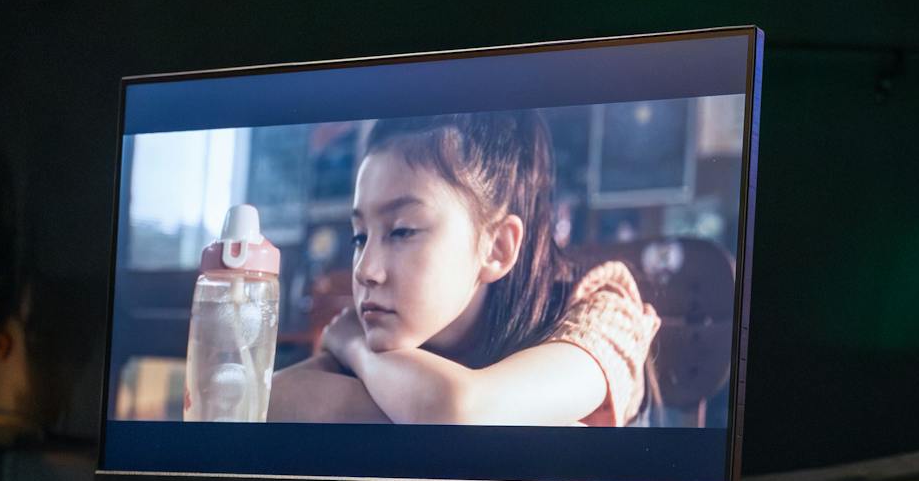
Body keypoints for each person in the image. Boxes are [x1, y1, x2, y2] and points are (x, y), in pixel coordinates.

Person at [270, 111, 659, 425]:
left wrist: (355, 347)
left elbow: (462, 413)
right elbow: (272, 401)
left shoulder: (601, 316)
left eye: (403, 230)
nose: (365, 270)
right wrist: (424, 413)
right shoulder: (399, 325)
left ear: (497, 247)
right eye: (359, 237)